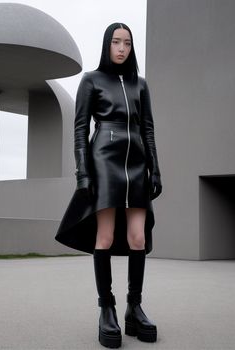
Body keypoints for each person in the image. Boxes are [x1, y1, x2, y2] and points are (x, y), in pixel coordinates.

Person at [55, 22, 162, 348]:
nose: (121, 48)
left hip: (136, 165)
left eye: (127, 43)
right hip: (104, 161)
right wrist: (82, 173)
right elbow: (79, 129)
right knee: (104, 235)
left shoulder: (140, 85)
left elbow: (148, 129)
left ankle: (134, 306)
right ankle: (107, 309)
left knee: (138, 237)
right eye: (116, 42)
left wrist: (155, 170)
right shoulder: (91, 80)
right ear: (107, 45)